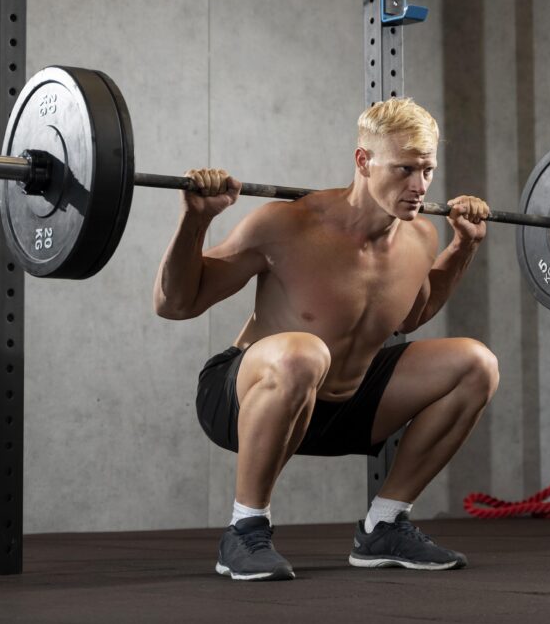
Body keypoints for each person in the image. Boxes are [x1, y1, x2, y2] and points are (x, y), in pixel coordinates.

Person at [153, 98, 499, 581]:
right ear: (363, 162)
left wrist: (463, 247)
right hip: (244, 397)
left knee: (475, 363)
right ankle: (244, 530)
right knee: (303, 352)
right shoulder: (284, 224)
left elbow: (412, 317)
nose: (419, 187)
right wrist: (196, 219)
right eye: (404, 169)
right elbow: (175, 304)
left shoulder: (420, 236)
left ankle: (384, 525)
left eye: (427, 171)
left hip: (343, 407)